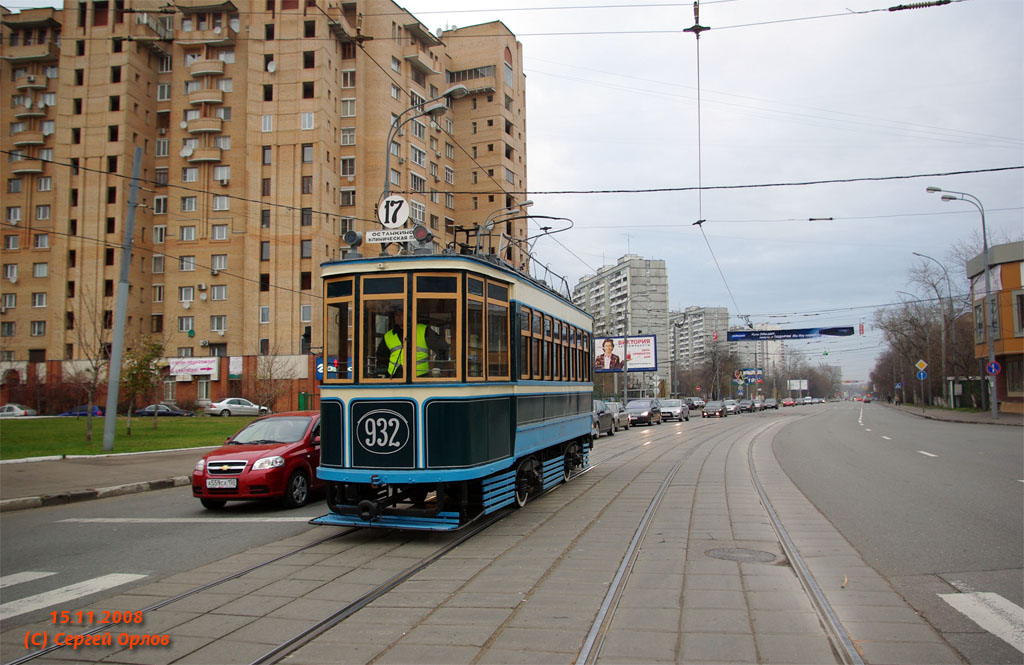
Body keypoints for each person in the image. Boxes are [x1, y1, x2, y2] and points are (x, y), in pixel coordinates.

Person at [376, 310, 450, 378]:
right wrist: (382, 372)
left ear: (408, 315)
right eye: (396, 315)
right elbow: (382, 357)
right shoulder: (388, 336)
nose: (398, 317)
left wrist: (438, 367)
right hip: (394, 378)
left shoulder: (423, 331)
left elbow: (443, 349)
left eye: (401, 314)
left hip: (419, 378)